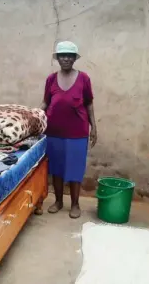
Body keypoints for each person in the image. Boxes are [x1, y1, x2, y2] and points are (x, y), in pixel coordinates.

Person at [41, 41, 97, 219]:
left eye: (69, 55)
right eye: (62, 55)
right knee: (56, 168)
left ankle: (75, 204)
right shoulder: (51, 79)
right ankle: (58, 201)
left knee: (75, 168)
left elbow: (88, 103)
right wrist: (34, 116)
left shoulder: (84, 79)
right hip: (54, 131)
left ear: (74, 58)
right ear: (57, 58)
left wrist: (94, 126)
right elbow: (46, 103)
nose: (65, 58)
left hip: (77, 132)